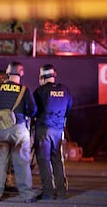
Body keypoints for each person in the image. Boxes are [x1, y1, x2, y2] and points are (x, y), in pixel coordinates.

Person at [0, 62, 37, 203]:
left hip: (2, 129)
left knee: (0, 162)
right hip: (19, 128)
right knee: (22, 163)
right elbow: (33, 109)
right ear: (21, 73)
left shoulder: (0, 87)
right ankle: (27, 195)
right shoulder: (24, 89)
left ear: (8, 73)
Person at [33, 64, 72, 200]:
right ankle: (61, 191)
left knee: (44, 160)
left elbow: (33, 110)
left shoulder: (40, 91)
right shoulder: (65, 90)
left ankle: (48, 192)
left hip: (43, 129)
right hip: (58, 130)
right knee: (57, 160)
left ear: (42, 77)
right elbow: (69, 108)